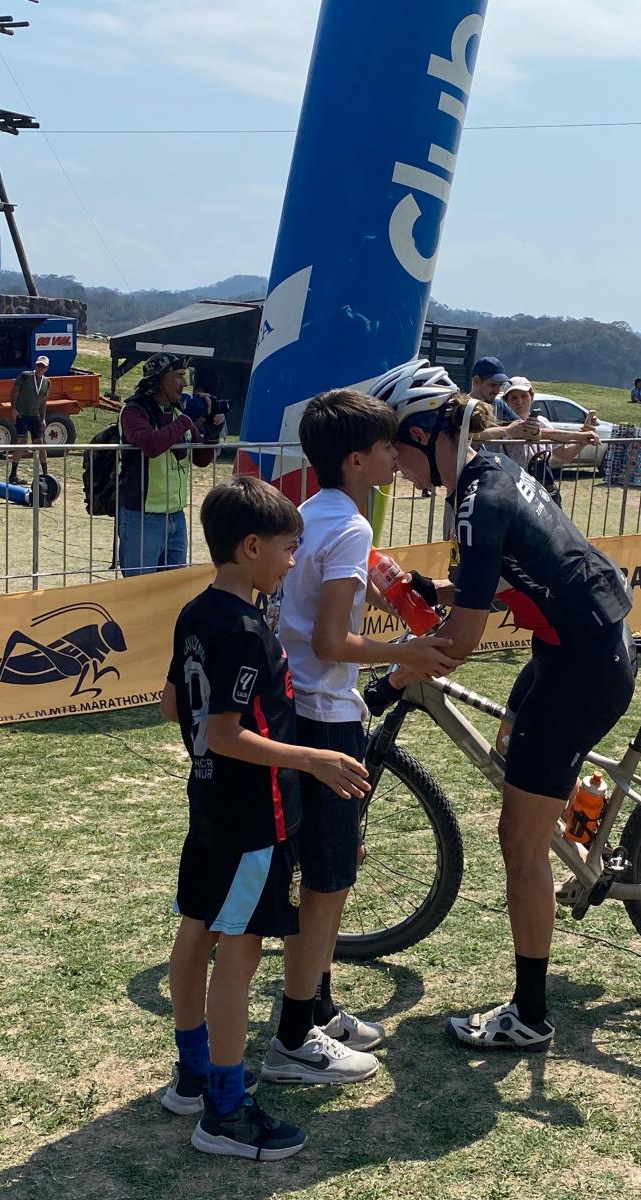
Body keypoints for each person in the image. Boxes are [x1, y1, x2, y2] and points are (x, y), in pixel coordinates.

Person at [369, 360, 636, 1052]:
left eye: (396, 446)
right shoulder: (485, 475)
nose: (393, 464)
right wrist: (427, 586)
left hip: (581, 664)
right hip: (575, 648)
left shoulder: (476, 500)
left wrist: (392, 677)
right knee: (514, 751)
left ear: (428, 434)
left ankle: (531, 1013)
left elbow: (457, 643)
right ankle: (585, 829)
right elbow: (492, 584)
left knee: (518, 841)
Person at [160, 476, 372, 1160]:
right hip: (254, 812)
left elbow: (174, 706)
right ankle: (224, 1109)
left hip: (210, 801)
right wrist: (310, 758)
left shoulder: (195, 612)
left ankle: (192, 1073)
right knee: (240, 950)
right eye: (288, 548)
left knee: (198, 931)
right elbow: (224, 731)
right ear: (251, 547)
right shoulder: (249, 630)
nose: (292, 560)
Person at [261, 389, 462, 1083]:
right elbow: (330, 638)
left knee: (327, 868)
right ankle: (295, 1034)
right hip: (326, 713)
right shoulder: (346, 527)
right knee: (328, 878)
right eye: (385, 448)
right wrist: (404, 654)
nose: (395, 456)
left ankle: (317, 1007)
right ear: (356, 459)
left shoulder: (314, 513)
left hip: (299, 705)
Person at [117, 353, 223, 575]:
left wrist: (211, 434)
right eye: (178, 376)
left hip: (176, 514)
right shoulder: (134, 411)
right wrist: (187, 419)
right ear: (158, 379)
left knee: (173, 590)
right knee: (139, 591)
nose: (184, 383)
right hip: (143, 516)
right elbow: (151, 445)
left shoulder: (176, 412)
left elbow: (201, 460)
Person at [498, 376, 599, 478]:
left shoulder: (543, 421)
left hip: (538, 484)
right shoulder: (505, 424)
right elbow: (540, 433)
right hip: (510, 484)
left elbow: (564, 456)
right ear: (507, 402)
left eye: (524, 396)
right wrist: (579, 436)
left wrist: (582, 442)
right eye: (514, 398)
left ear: (531, 397)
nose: (519, 402)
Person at [468, 355, 539, 446]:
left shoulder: (499, 405)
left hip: (494, 460)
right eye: (492, 385)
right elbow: (463, 434)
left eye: (500, 385)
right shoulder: (460, 406)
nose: (497, 391)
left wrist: (534, 431)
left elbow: (526, 433)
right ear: (476, 381)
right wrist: (506, 430)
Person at [8, 355, 50, 484]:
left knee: (40, 444)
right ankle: (13, 475)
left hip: (34, 416)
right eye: (38, 365)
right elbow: (14, 392)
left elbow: (43, 402)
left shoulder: (47, 382)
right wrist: (13, 409)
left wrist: (43, 419)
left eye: (42, 366)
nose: (40, 367)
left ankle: (46, 475)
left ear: (47, 368)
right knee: (21, 441)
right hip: (22, 414)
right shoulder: (25, 376)